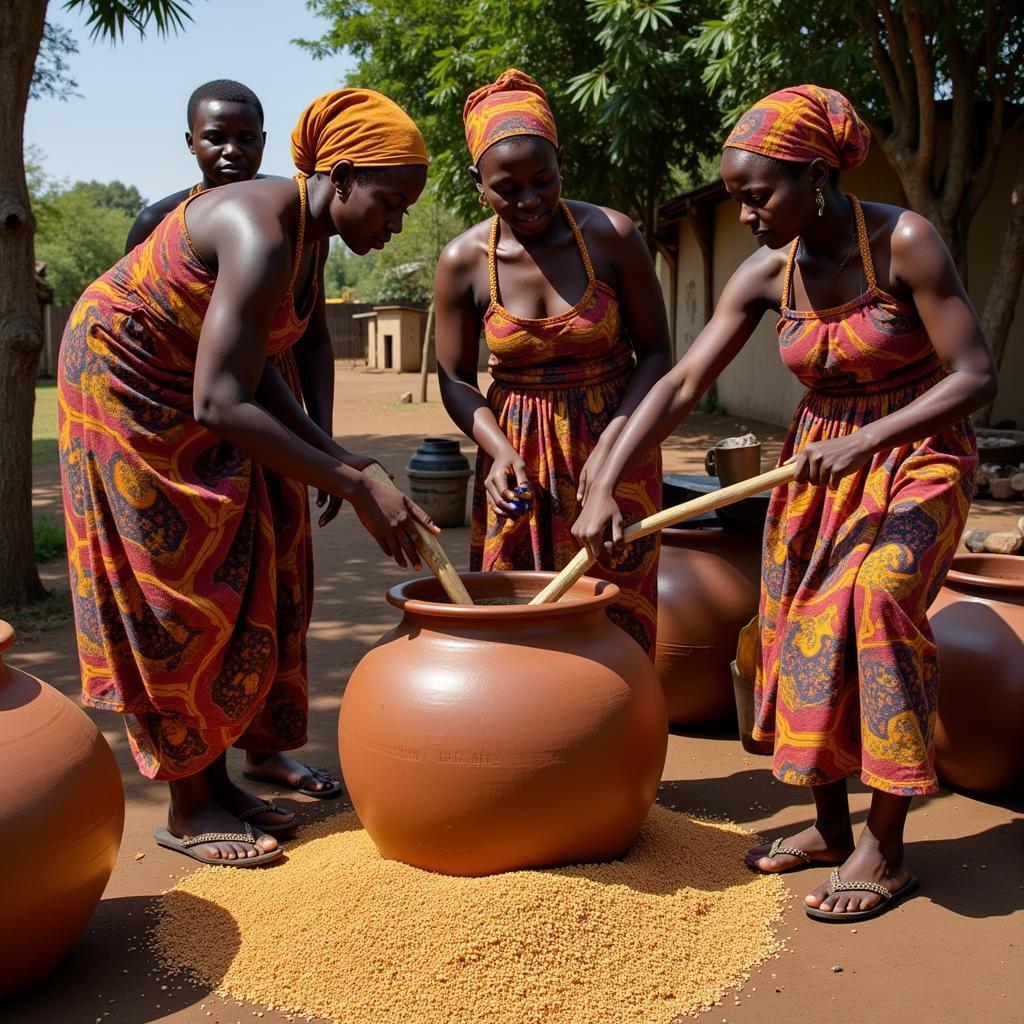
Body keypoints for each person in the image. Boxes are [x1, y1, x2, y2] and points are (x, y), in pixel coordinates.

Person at [572, 85, 996, 920]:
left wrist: (870, 439)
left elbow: (974, 376)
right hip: (816, 472)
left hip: (921, 459)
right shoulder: (769, 271)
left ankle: (887, 845)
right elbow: (687, 379)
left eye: (759, 194)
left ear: (815, 176)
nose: (749, 213)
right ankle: (832, 827)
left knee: (875, 605)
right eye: (737, 197)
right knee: (797, 622)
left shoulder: (905, 242)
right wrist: (605, 473)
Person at [58, 89, 435, 866]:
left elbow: (261, 366)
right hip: (124, 382)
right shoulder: (259, 229)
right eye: (391, 204)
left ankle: (222, 782)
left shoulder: (307, 236)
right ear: (341, 176)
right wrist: (358, 483)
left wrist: (347, 462)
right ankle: (190, 804)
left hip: (192, 384)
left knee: (243, 553)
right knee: (173, 580)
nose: (395, 224)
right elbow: (221, 398)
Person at [125, 79, 341, 801]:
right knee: (213, 583)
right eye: (216, 137)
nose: (232, 150)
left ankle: (268, 751)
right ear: (189, 142)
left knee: (279, 583)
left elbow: (308, 341)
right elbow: (157, 338)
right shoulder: (164, 221)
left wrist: (327, 447)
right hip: (203, 413)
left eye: (246, 137)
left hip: (265, 407)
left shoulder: (299, 229)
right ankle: (200, 779)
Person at [433, 69, 672, 654]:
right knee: (518, 619)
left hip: (618, 443)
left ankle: (616, 737)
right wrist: (497, 450)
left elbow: (658, 354)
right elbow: (456, 378)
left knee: (615, 616)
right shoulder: (463, 261)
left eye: (544, 179)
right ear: (477, 183)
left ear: (561, 163)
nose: (530, 199)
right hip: (517, 462)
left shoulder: (611, 236)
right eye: (506, 187)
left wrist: (612, 455)